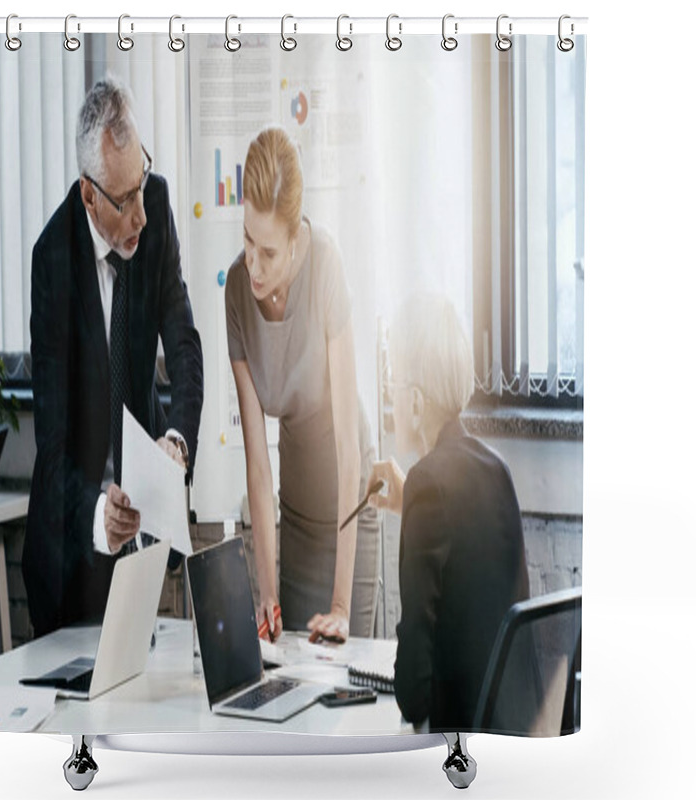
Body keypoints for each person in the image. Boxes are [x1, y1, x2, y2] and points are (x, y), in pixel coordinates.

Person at [23, 78, 204, 637]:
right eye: (125, 202)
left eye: (142, 181)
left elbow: (183, 342)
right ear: (89, 195)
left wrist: (176, 440)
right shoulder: (53, 260)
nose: (141, 217)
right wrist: (99, 514)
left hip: (145, 535)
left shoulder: (154, 207)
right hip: (74, 546)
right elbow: (52, 443)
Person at [225, 127, 379, 643]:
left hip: (347, 509)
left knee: (345, 683)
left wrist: (340, 602)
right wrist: (266, 590)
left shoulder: (326, 266)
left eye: (269, 251)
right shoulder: (237, 296)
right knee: (289, 670)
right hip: (293, 513)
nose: (254, 263)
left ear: (297, 241)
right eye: (248, 240)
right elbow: (257, 463)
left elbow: (348, 450)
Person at [365, 293, 530, 732]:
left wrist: (417, 504)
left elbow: (413, 696)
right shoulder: (498, 470)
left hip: (454, 754)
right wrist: (411, 508)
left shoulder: (428, 484)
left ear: (416, 404)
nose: (391, 404)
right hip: (507, 736)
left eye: (393, 387)